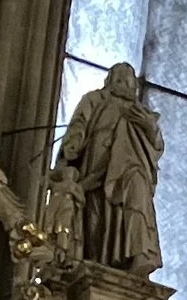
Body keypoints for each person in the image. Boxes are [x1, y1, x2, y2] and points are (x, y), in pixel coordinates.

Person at [52, 63, 165, 276]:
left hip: (133, 165)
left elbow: (157, 145)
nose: (124, 82)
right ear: (109, 80)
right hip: (97, 165)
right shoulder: (95, 99)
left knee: (137, 197)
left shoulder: (141, 111)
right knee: (96, 216)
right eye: (119, 77)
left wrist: (150, 127)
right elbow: (79, 123)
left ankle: (140, 254)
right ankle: (96, 260)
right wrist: (73, 143)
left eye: (128, 79)